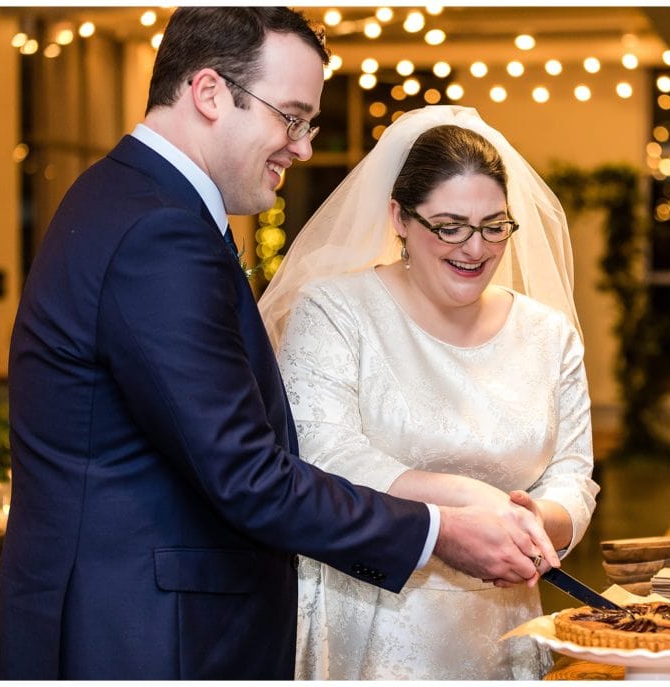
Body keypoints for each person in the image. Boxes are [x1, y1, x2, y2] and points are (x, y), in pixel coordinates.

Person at [0, 10, 558, 680]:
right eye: (291, 116)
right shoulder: (158, 231)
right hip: (137, 638)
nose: (303, 147)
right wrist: (439, 530)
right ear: (210, 93)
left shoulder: (130, 198)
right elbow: (246, 473)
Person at [258, 105, 600, 679]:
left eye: (494, 226)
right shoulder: (336, 310)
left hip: (504, 622)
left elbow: (574, 475)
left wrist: (533, 518)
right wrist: (467, 501)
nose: (475, 249)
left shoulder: (548, 335)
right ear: (399, 217)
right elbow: (323, 454)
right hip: (369, 621)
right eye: (450, 226)